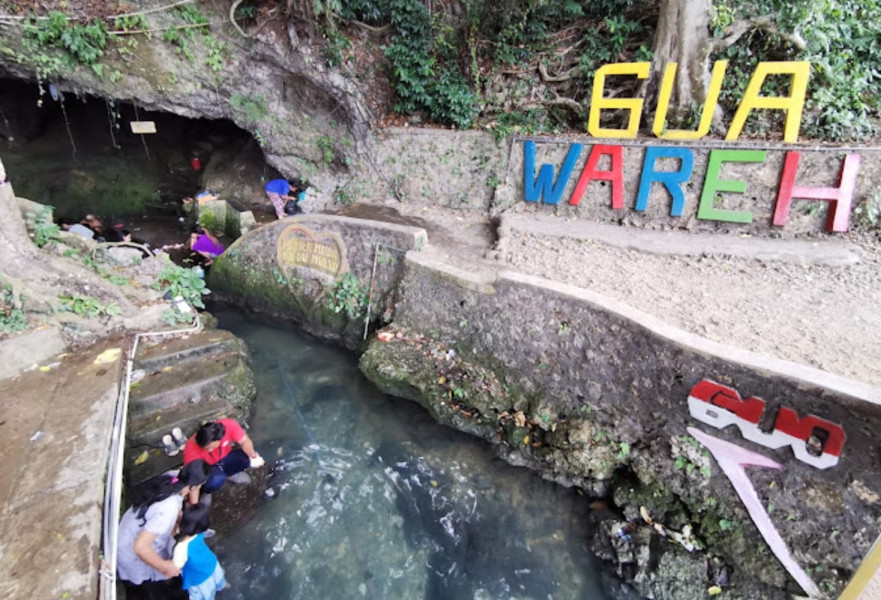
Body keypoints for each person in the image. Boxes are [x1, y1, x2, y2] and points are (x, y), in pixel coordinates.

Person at [117, 460, 210, 600]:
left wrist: (193, 507)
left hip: (128, 528)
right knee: (154, 586)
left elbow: (191, 497)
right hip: (130, 550)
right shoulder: (168, 508)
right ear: (194, 486)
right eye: (199, 486)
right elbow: (140, 547)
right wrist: (163, 567)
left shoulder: (172, 477)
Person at [182, 419, 264, 499]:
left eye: (212, 447)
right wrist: (194, 506)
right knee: (217, 479)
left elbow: (244, 440)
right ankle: (207, 492)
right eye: (206, 448)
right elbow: (193, 481)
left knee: (248, 456)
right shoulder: (190, 451)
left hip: (225, 457)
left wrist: (253, 456)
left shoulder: (228, 425)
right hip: (208, 469)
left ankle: (229, 474)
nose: (209, 450)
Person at [173, 504, 227, 600]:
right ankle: (224, 586)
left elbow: (175, 568)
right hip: (212, 564)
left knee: (205, 596)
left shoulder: (181, 548)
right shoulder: (200, 532)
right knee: (219, 580)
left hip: (198, 579)